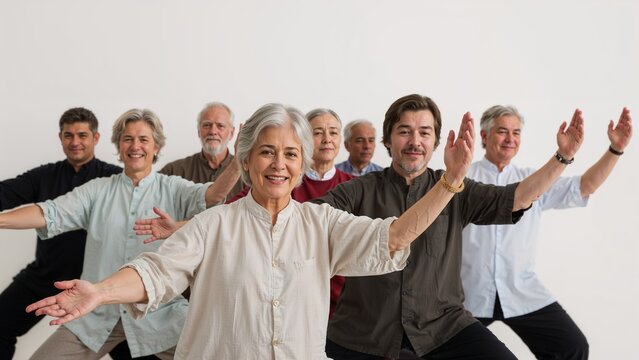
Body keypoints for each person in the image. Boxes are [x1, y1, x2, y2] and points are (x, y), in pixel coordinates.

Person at [25, 102, 474, 359]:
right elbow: (155, 271)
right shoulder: (213, 225)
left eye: (291, 154)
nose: (279, 164)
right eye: (266, 152)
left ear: (302, 164)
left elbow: (393, 238)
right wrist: (101, 292)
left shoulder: (322, 224)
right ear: (245, 160)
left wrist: (449, 183)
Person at [317, 94, 584, 359]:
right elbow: (311, 220)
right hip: (364, 333)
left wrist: (563, 156)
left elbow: (517, 198)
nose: (415, 142)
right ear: (387, 139)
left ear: (435, 143)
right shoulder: (358, 190)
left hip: (443, 328)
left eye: (425, 132)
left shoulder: (459, 189)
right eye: (404, 132)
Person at [0, 108, 234, 359]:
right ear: (119, 146)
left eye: (143, 139)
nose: (135, 146)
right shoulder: (98, 189)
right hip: (94, 311)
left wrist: (239, 163)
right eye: (127, 139)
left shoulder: (174, 188)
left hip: (158, 314)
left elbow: (213, 196)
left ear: (156, 147)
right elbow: (48, 213)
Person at [461, 105, 633, 359]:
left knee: (571, 347)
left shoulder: (533, 179)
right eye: (502, 131)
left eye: (516, 132)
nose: (510, 139)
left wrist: (616, 149)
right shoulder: (462, 179)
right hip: (467, 295)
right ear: (484, 137)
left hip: (521, 291)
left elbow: (584, 186)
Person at [0, 107, 122, 359]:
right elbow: (6, 192)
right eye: (68, 135)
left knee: (135, 343)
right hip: (45, 275)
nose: (75, 142)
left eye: (82, 135)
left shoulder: (113, 178)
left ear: (96, 138)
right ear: (60, 138)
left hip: (96, 282)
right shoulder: (45, 176)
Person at [227, 107, 355, 315]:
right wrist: (180, 226)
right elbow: (228, 216)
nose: (327, 139)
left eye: (333, 132)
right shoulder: (278, 184)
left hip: (343, 306)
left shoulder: (353, 186)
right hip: (288, 301)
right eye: (318, 132)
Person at [159, 101, 244, 198]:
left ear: (232, 133)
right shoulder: (173, 171)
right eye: (207, 125)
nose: (213, 131)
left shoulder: (246, 172)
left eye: (220, 126)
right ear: (199, 131)